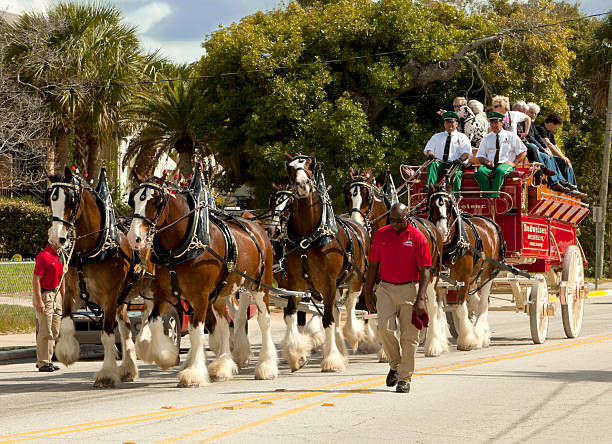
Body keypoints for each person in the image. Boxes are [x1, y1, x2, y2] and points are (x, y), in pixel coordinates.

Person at [361, 203, 432, 393]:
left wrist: (421, 298)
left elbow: (425, 271)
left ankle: (404, 378)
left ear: (406, 218)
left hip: (410, 289)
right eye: (390, 220)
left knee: (409, 337)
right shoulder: (381, 234)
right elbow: (373, 265)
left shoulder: (417, 238)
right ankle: (395, 364)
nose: (393, 224)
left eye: (397, 221)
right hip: (385, 288)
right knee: (385, 330)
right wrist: (367, 293)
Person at [33, 229, 65, 372]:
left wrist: (63, 299)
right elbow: (36, 280)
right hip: (45, 295)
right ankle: (43, 362)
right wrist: (39, 301)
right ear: (52, 240)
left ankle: (48, 359)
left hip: (56, 294)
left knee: (54, 330)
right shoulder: (43, 256)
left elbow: (62, 279)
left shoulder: (59, 257)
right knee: (45, 330)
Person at [474, 111, 527, 198]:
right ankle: (486, 197)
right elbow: (480, 156)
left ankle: (493, 197)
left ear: (502, 123)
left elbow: (523, 151)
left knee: (500, 171)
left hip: (505, 164)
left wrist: (514, 163)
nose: (494, 125)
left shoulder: (511, 136)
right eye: (491, 123)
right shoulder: (486, 138)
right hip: (490, 164)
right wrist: (486, 162)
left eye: (496, 122)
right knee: (480, 172)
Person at [534, 112, 586, 198]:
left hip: (550, 154)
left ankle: (573, 188)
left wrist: (564, 158)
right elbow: (549, 144)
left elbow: (555, 145)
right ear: (551, 123)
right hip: (543, 153)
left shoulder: (550, 132)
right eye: (556, 125)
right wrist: (562, 157)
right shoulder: (540, 128)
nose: (557, 128)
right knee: (560, 160)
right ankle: (564, 186)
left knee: (566, 163)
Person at [424, 111, 471, 193]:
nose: (449, 124)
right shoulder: (436, 136)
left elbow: (466, 152)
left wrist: (460, 159)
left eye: (452, 122)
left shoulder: (462, 137)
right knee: (432, 164)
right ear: (444, 124)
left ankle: (455, 197)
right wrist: (431, 155)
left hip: (455, 164)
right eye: (447, 122)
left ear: (456, 123)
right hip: (440, 163)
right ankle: (430, 187)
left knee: (455, 174)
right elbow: (429, 149)